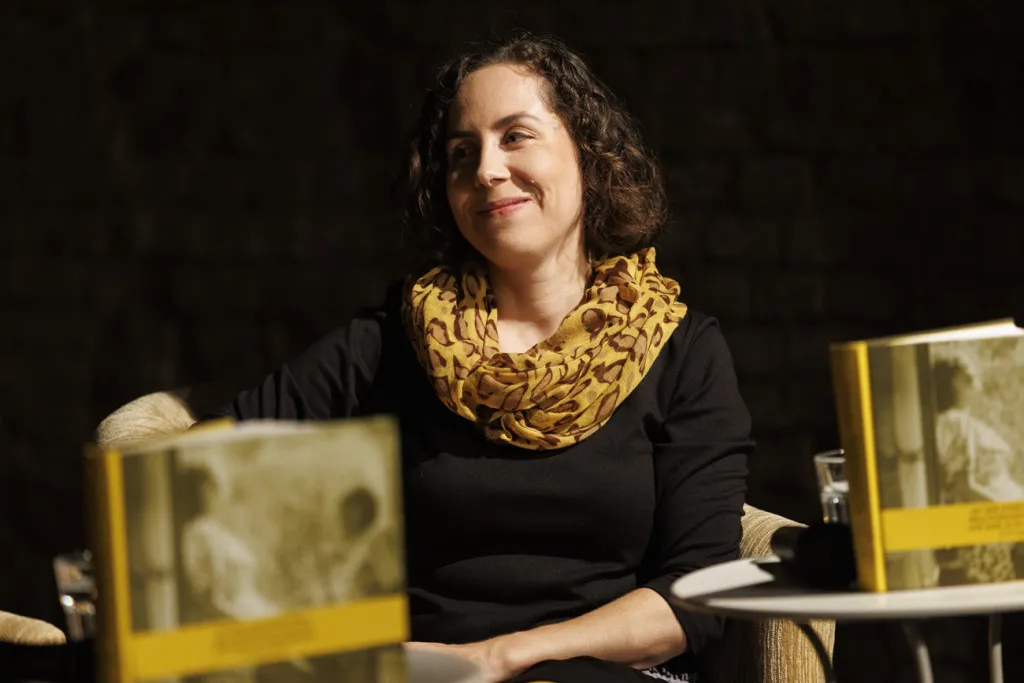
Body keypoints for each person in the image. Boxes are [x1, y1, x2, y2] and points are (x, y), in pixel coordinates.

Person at [203, 32, 753, 683]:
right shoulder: (394, 341)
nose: (486, 170)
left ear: (589, 153)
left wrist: (501, 655)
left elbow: (693, 596)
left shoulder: (680, 350)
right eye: (462, 153)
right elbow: (204, 470)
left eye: (515, 136)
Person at [932, 354, 1024, 586]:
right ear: (957, 382)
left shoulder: (959, 422)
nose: (977, 381)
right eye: (971, 376)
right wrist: (1011, 516)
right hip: (991, 537)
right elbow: (963, 487)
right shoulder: (955, 423)